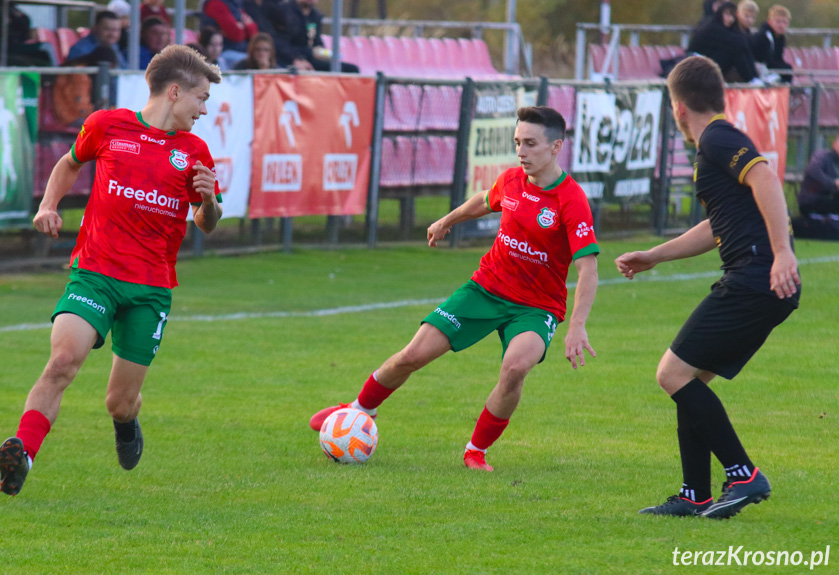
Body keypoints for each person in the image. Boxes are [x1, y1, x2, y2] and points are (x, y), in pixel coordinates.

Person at [309, 106, 600, 472]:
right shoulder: (511, 181)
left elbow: (588, 267)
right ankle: (357, 411)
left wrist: (576, 325)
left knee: (515, 368)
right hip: (485, 289)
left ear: (556, 146)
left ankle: (475, 451)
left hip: (536, 307)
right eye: (517, 143)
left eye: (530, 144)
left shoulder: (571, 200)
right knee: (412, 355)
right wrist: (447, 220)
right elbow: (484, 200)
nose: (522, 152)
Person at [0, 44, 224, 496]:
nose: (203, 110)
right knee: (62, 361)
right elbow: (69, 163)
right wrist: (48, 205)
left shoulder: (195, 152)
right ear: (175, 91)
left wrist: (209, 200)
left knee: (118, 402)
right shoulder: (107, 125)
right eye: (201, 99)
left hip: (150, 289)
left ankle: (127, 422)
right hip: (94, 273)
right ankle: (23, 452)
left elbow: (206, 223)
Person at [615, 56, 800, 519]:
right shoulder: (717, 143)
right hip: (759, 278)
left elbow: (765, 178)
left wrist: (782, 252)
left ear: (678, 108)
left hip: (755, 276)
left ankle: (743, 475)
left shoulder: (718, 138)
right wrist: (655, 255)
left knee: (670, 374)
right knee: (691, 380)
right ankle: (694, 493)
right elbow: (716, 225)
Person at [272, 0, 359, 72]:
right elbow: (280, 45)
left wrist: (324, 53)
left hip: (310, 59)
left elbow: (316, 42)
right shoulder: (284, 11)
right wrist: (306, 54)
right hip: (288, 60)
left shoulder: (315, 15)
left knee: (351, 69)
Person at [688, 1, 759, 83]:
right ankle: (751, 80)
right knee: (735, 51)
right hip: (697, 63)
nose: (731, 19)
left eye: (733, 16)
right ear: (720, 14)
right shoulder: (714, 27)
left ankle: (755, 78)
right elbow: (739, 44)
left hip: (709, 60)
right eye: (727, 15)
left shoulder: (728, 28)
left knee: (739, 50)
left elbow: (743, 46)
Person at [200, 0, 259, 69]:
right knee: (254, 61)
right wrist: (245, 27)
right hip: (224, 52)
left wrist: (244, 27)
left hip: (241, 50)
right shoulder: (216, 4)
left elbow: (254, 35)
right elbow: (237, 34)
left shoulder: (236, 4)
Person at [798, 134, 839, 216]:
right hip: (812, 201)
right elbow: (813, 171)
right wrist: (833, 183)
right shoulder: (822, 156)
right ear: (834, 144)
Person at [750, 5, 793, 83]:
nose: (781, 25)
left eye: (784, 22)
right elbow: (767, 61)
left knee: (788, 71)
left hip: (767, 68)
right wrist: (788, 68)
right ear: (770, 21)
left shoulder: (781, 38)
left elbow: (778, 58)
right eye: (778, 21)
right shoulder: (763, 36)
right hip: (757, 68)